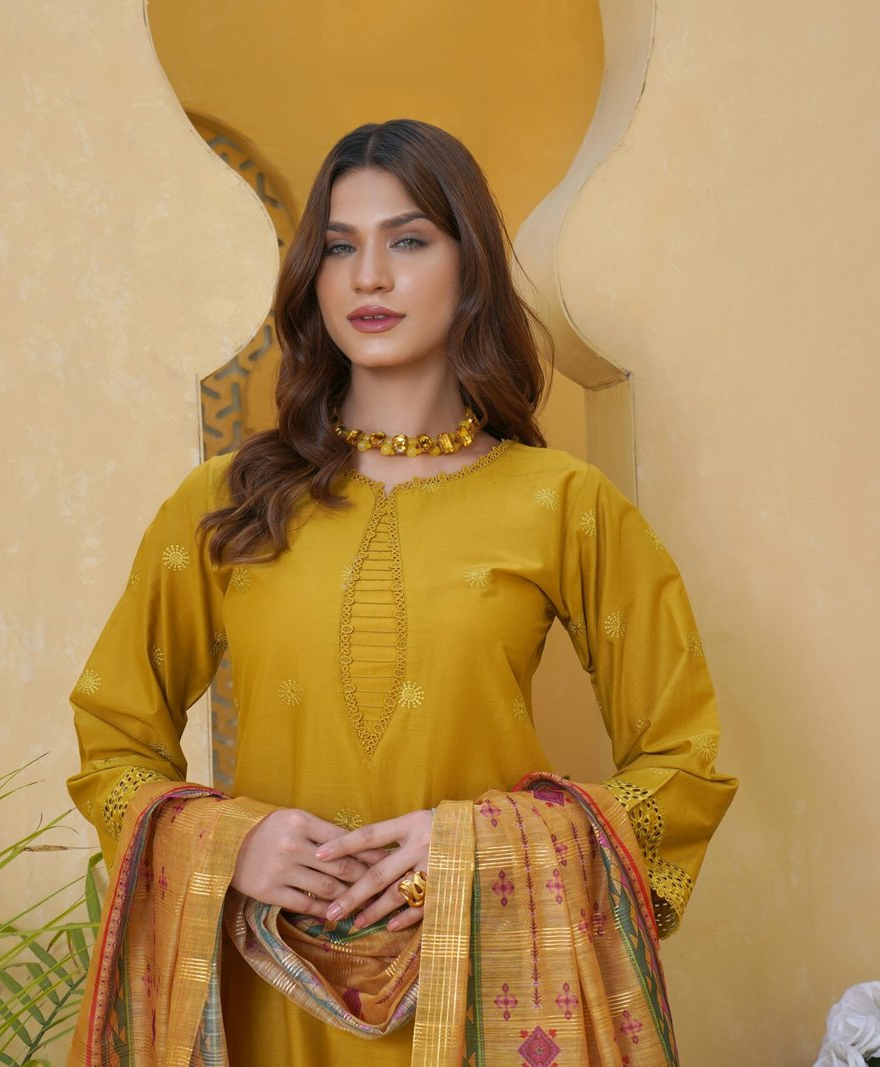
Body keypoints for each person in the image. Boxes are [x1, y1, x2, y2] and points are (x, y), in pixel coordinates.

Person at [64, 118, 738, 1066]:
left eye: (409, 240)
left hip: (481, 998)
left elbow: (682, 766)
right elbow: (113, 743)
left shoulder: (562, 504)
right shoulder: (223, 500)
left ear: (471, 271)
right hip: (268, 992)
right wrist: (231, 843)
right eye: (340, 248)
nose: (368, 278)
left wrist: (474, 850)